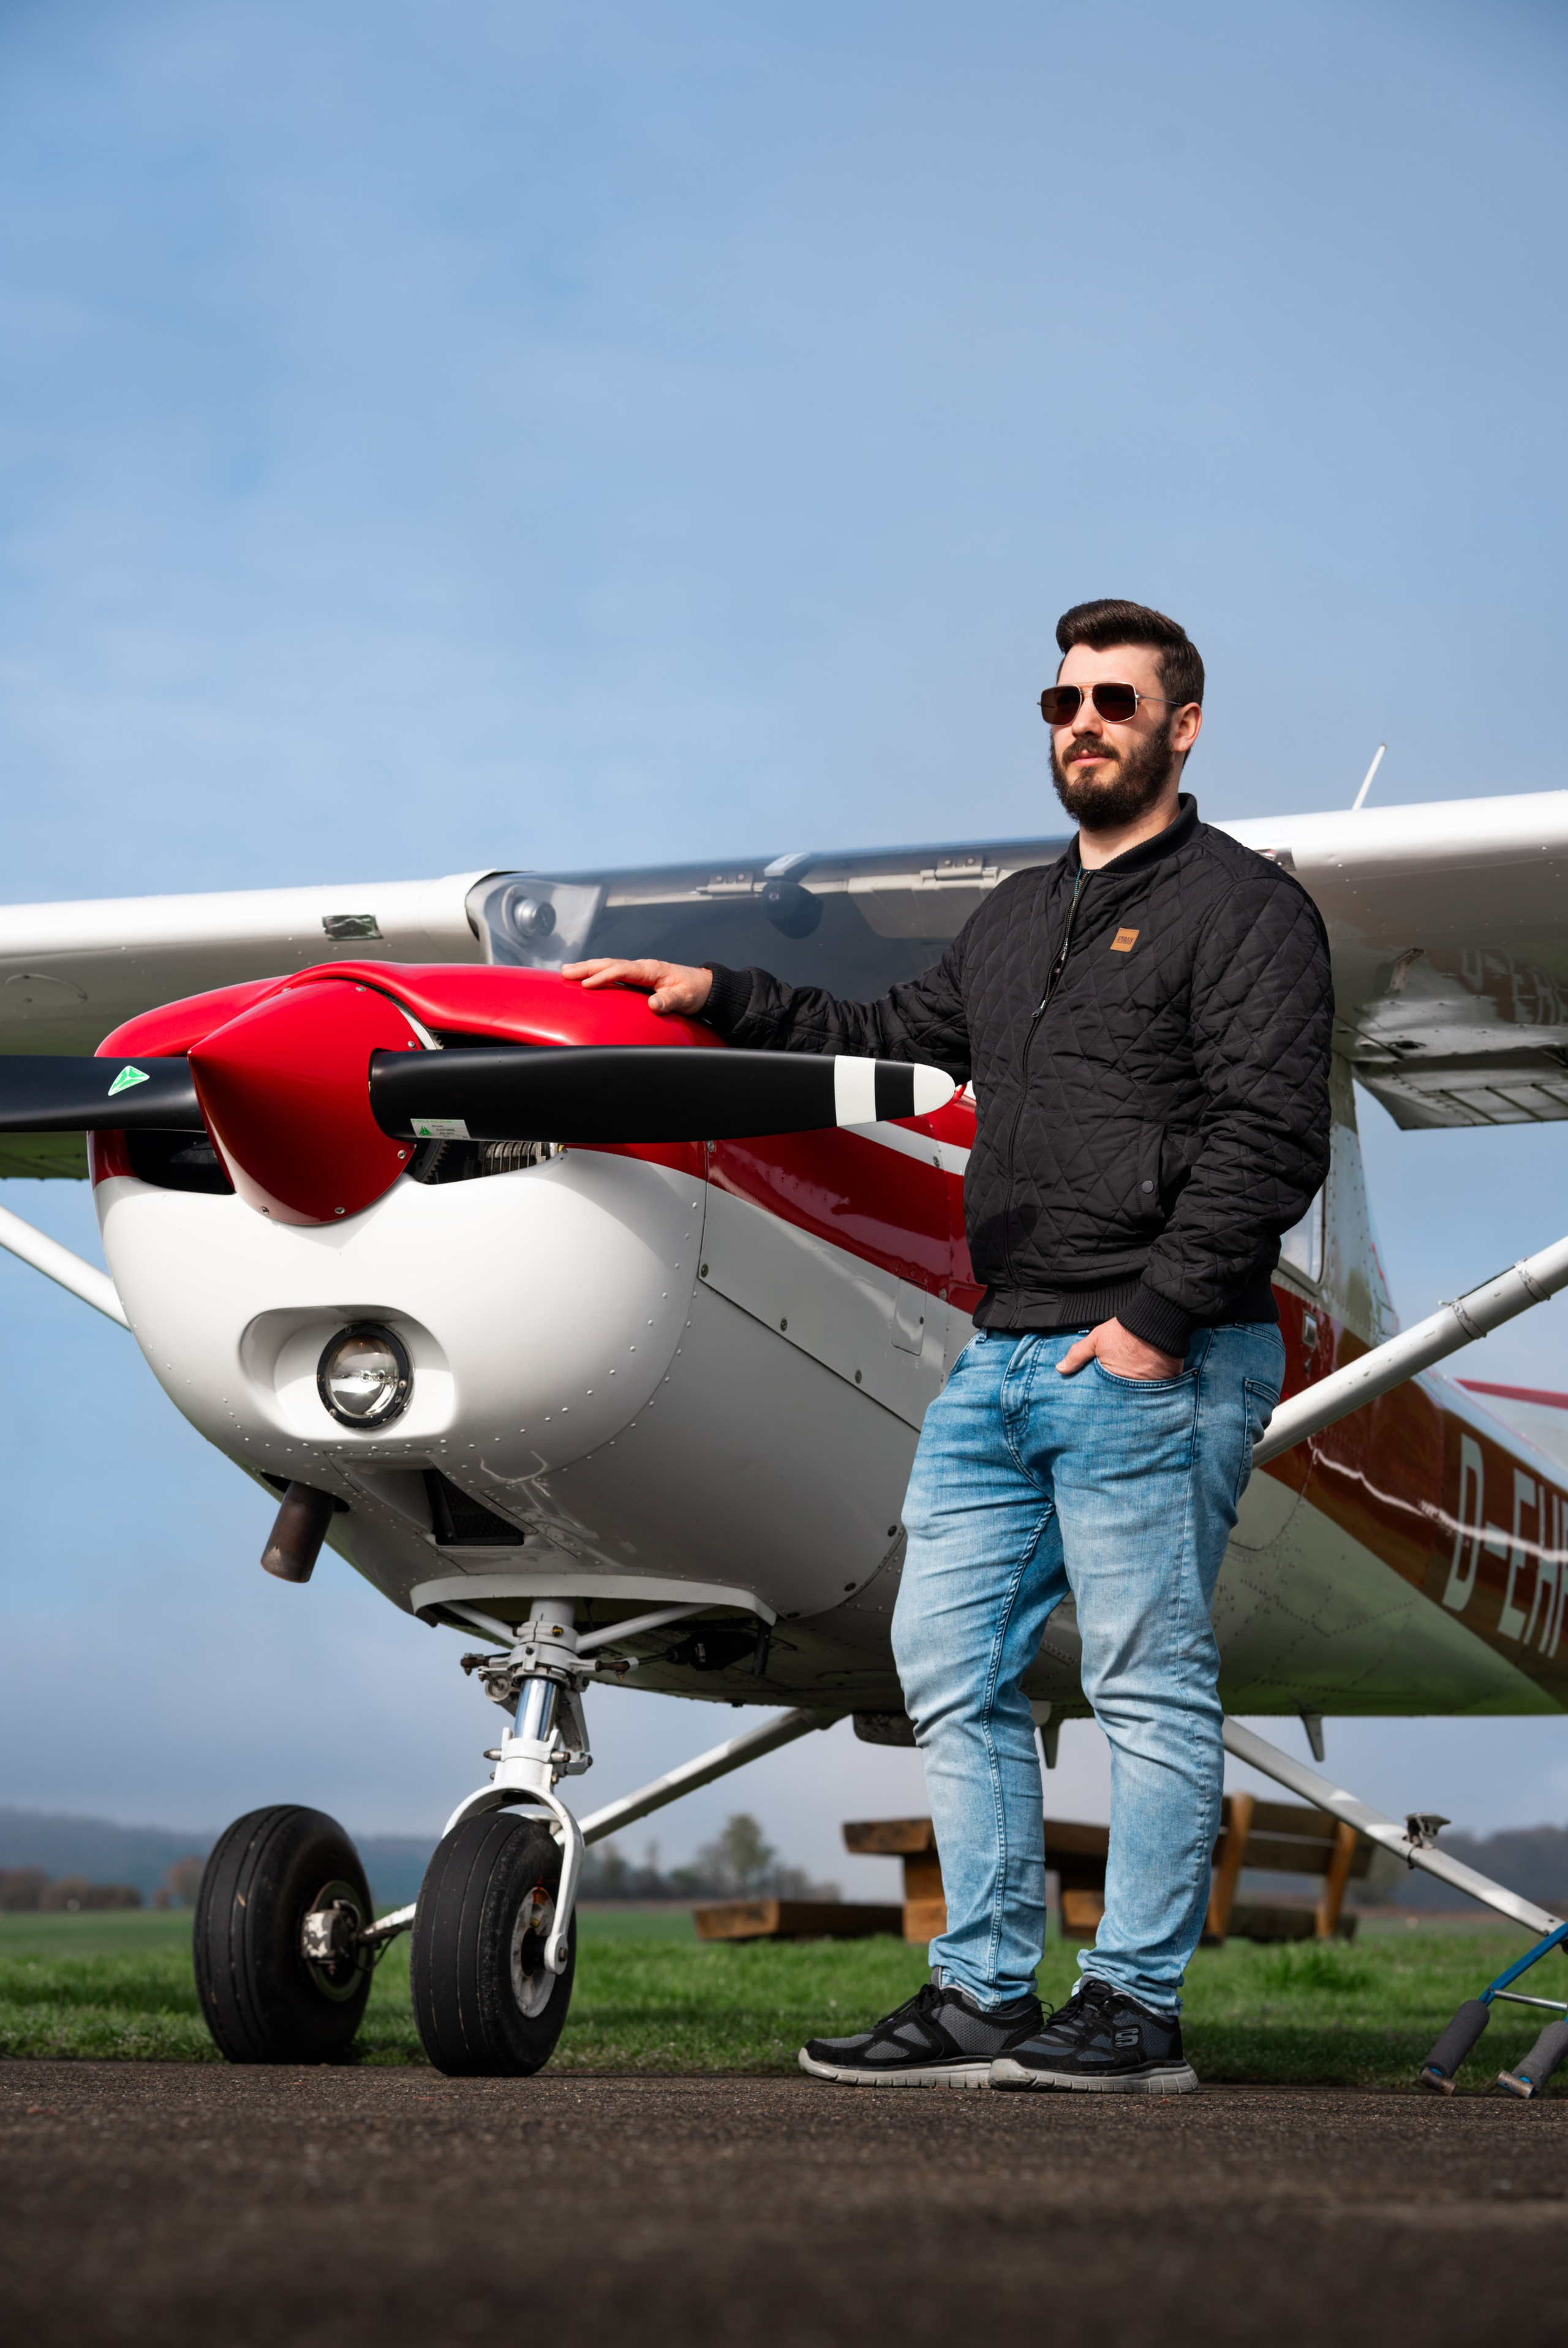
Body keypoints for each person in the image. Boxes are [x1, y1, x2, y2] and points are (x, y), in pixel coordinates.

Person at [565, 598, 1333, 2094]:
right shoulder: (1013, 916)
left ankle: (1133, 2010)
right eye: (1060, 702)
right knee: (944, 1659)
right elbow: (888, 1036)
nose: (1081, 723)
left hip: (1150, 1354)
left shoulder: (1245, 910)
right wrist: (720, 997)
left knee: (1143, 1680)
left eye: (1114, 701)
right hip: (999, 1357)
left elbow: (1269, 1139)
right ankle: (981, 1992)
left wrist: (1153, 1323)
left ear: (1181, 728)